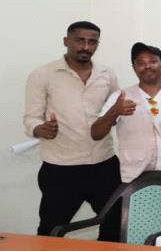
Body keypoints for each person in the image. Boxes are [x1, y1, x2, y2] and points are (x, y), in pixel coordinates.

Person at [23, 21, 121, 239]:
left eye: (92, 42)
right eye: (80, 40)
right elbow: (31, 118)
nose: (86, 46)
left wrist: (113, 118)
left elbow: (114, 110)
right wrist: (40, 128)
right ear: (66, 41)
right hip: (61, 169)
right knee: (51, 230)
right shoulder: (43, 74)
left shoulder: (107, 74)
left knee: (115, 224)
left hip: (104, 164)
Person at [91, 43, 161, 185]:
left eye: (153, 61)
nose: (147, 66)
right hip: (136, 178)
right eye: (141, 63)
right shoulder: (121, 97)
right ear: (134, 68)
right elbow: (96, 133)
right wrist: (114, 111)